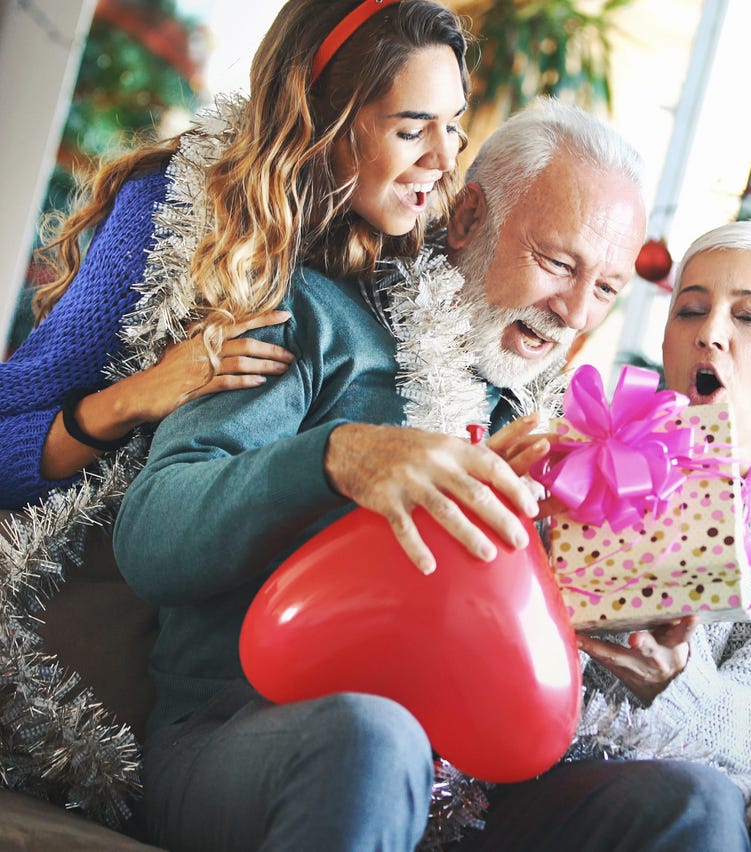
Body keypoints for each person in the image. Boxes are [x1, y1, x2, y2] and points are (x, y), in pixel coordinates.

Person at [112, 93, 751, 851]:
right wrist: (334, 458)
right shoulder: (312, 317)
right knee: (374, 738)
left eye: (608, 288)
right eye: (558, 263)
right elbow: (150, 539)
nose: (576, 312)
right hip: (248, 728)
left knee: (692, 801)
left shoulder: (562, 432)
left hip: (467, 782)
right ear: (466, 219)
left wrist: (638, 650)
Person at [0, 0, 481, 827]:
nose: (446, 159)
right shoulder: (170, 214)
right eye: (413, 130)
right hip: (98, 650)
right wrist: (142, 393)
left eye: (456, 126)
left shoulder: (404, 273)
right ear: (328, 121)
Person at [482, 219, 751, 851]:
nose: (711, 333)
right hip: (562, 791)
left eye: (750, 318)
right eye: (691, 310)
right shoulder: (573, 471)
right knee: (696, 801)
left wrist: (687, 694)